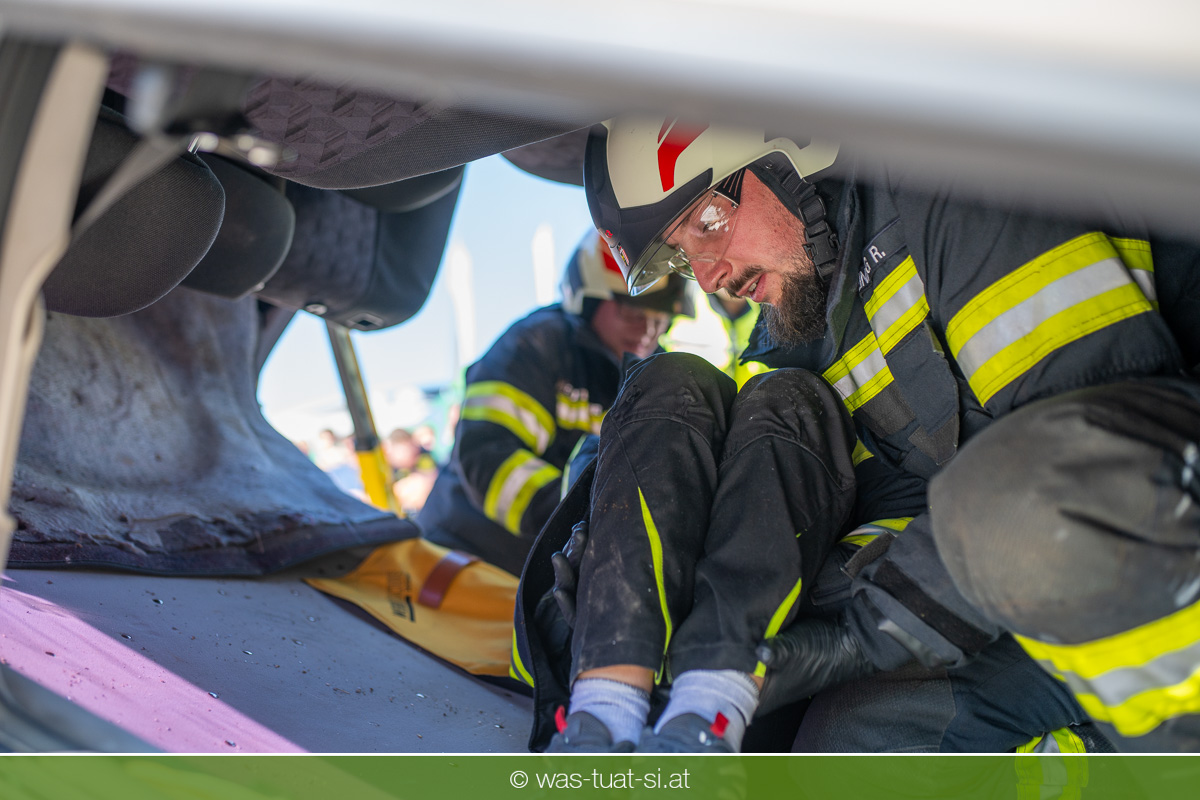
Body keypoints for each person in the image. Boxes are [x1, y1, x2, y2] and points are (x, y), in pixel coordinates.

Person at [515, 117, 1200, 753]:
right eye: (681, 256)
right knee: (848, 749)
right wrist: (642, 558)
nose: (710, 275)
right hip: (1016, 594)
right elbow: (889, 504)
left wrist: (860, 636)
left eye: (709, 221)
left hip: (1141, 552)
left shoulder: (958, 185)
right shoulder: (803, 334)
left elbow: (1066, 477)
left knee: (1012, 504)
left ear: (788, 151)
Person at [418, 231, 689, 576]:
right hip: (466, 555)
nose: (648, 331)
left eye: (660, 318)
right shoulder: (535, 346)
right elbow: (488, 458)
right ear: (587, 300)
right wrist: (586, 513)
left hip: (545, 571)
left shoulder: (655, 375)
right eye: (632, 312)